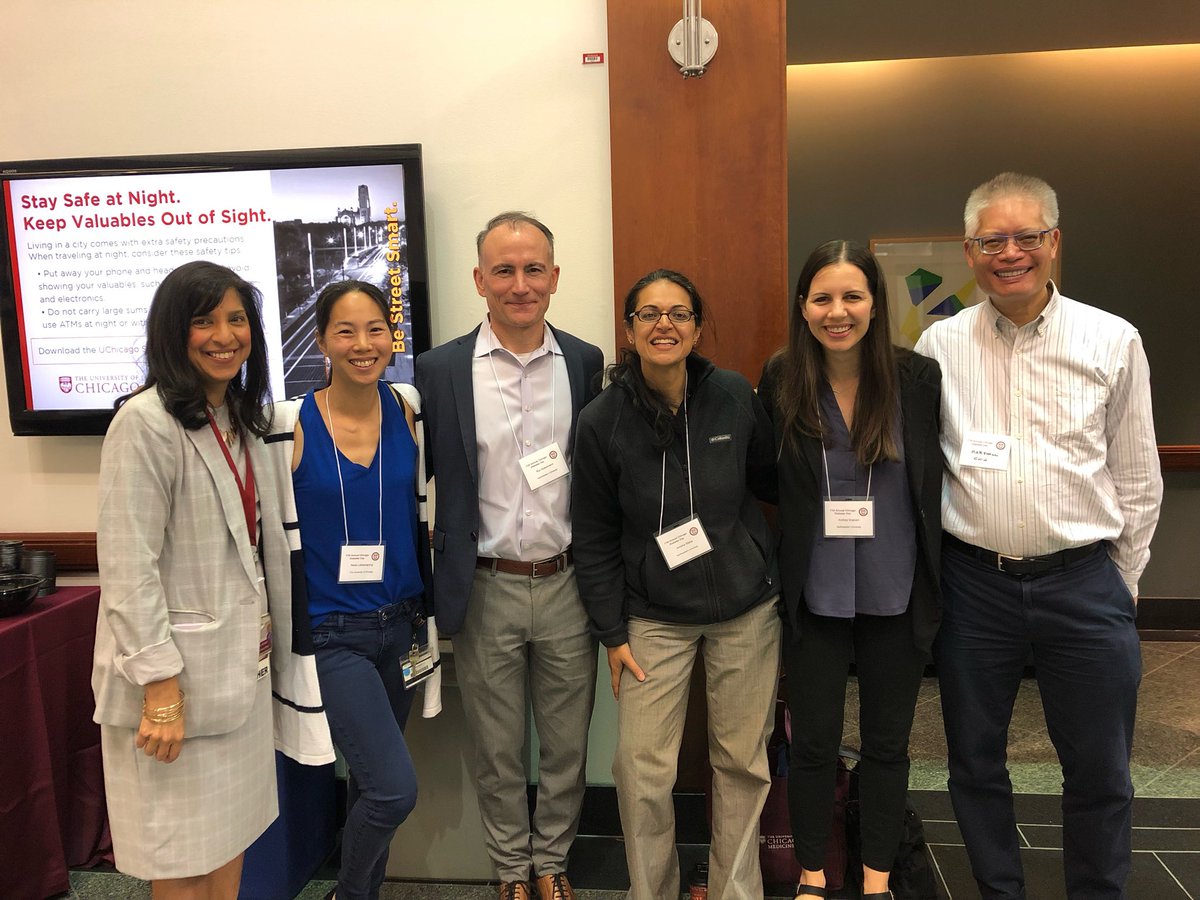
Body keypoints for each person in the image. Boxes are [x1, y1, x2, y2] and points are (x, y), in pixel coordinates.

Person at [914, 172, 1163, 900]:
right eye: (993, 240)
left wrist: (1122, 581)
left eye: (1026, 237)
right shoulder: (939, 346)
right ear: (969, 250)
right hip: (975, 586)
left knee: (1099, 765)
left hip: (1084, 582)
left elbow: (1138, 475)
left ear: (1054, 242)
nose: (1009, 253)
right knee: (974, 760)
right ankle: (999, 889)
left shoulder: (1112, 340)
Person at [572, 269, 780, 900]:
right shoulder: (601, 420)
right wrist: (611, 631)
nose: (665, 324)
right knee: (639, 771)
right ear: (629, 330)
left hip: (746, 610)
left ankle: (733, 892)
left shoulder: (735, 397)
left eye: (679, 313)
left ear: (696, 326)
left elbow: (771, 483)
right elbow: (594, 535)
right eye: (649, 314)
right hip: (652, 618)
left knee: (742, 764)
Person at [414, 212, 602, 900]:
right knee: (495, 749)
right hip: (485, 583)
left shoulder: (583, 362)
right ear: (479, 280)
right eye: (504, 270)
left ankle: (551, 863)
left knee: (566, 745)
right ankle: (509, 873)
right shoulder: (438, 370)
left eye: (533, 270)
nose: (519, 285)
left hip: (565, 582)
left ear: (554, 277)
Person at [93, 260, 293, 898]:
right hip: (174, 691)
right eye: (204, 321)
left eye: (237, 320)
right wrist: (159, 689)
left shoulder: (236, 415)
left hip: (236, 679)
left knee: (227, 849)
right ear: (172, 333)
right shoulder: (144, 423)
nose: (224, 335)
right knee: (181, 862)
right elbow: (128, 568)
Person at [758, 241, 943, 900]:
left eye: (852, 296)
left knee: (888, 747)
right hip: (817, 593)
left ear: (875, 303)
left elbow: (936, 480)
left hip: (900, 589)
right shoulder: (781, 378)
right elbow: (766, 479)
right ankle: (812, 876)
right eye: (822, 298)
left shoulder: (918, 380)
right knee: (812, 744)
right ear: (803, 306)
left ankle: (874, 879)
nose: (837, 312)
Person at [272, 280, 433, 900]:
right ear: (321, 342)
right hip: (332, 634)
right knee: (395, 789)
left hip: (400, 628)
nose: (362, 344)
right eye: (346, 330)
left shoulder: (407, 407)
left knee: (372, 787)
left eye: (375, 330)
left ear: (391, 340)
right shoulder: (290, 424)